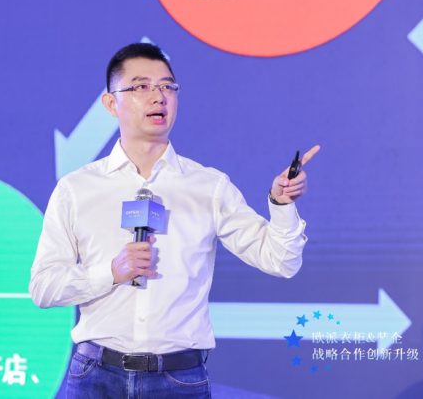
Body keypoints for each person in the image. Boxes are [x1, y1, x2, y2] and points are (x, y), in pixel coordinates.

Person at [29, 43, 319, 398]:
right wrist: (111, 272)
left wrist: (281, 204)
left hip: (179, 381)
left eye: (167, 86)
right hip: (95, 377)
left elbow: (281, 261)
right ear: (111, 103)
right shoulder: (77, 189)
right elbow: (43, 287)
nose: (159, 96)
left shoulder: (208, 187)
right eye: (141, 86)